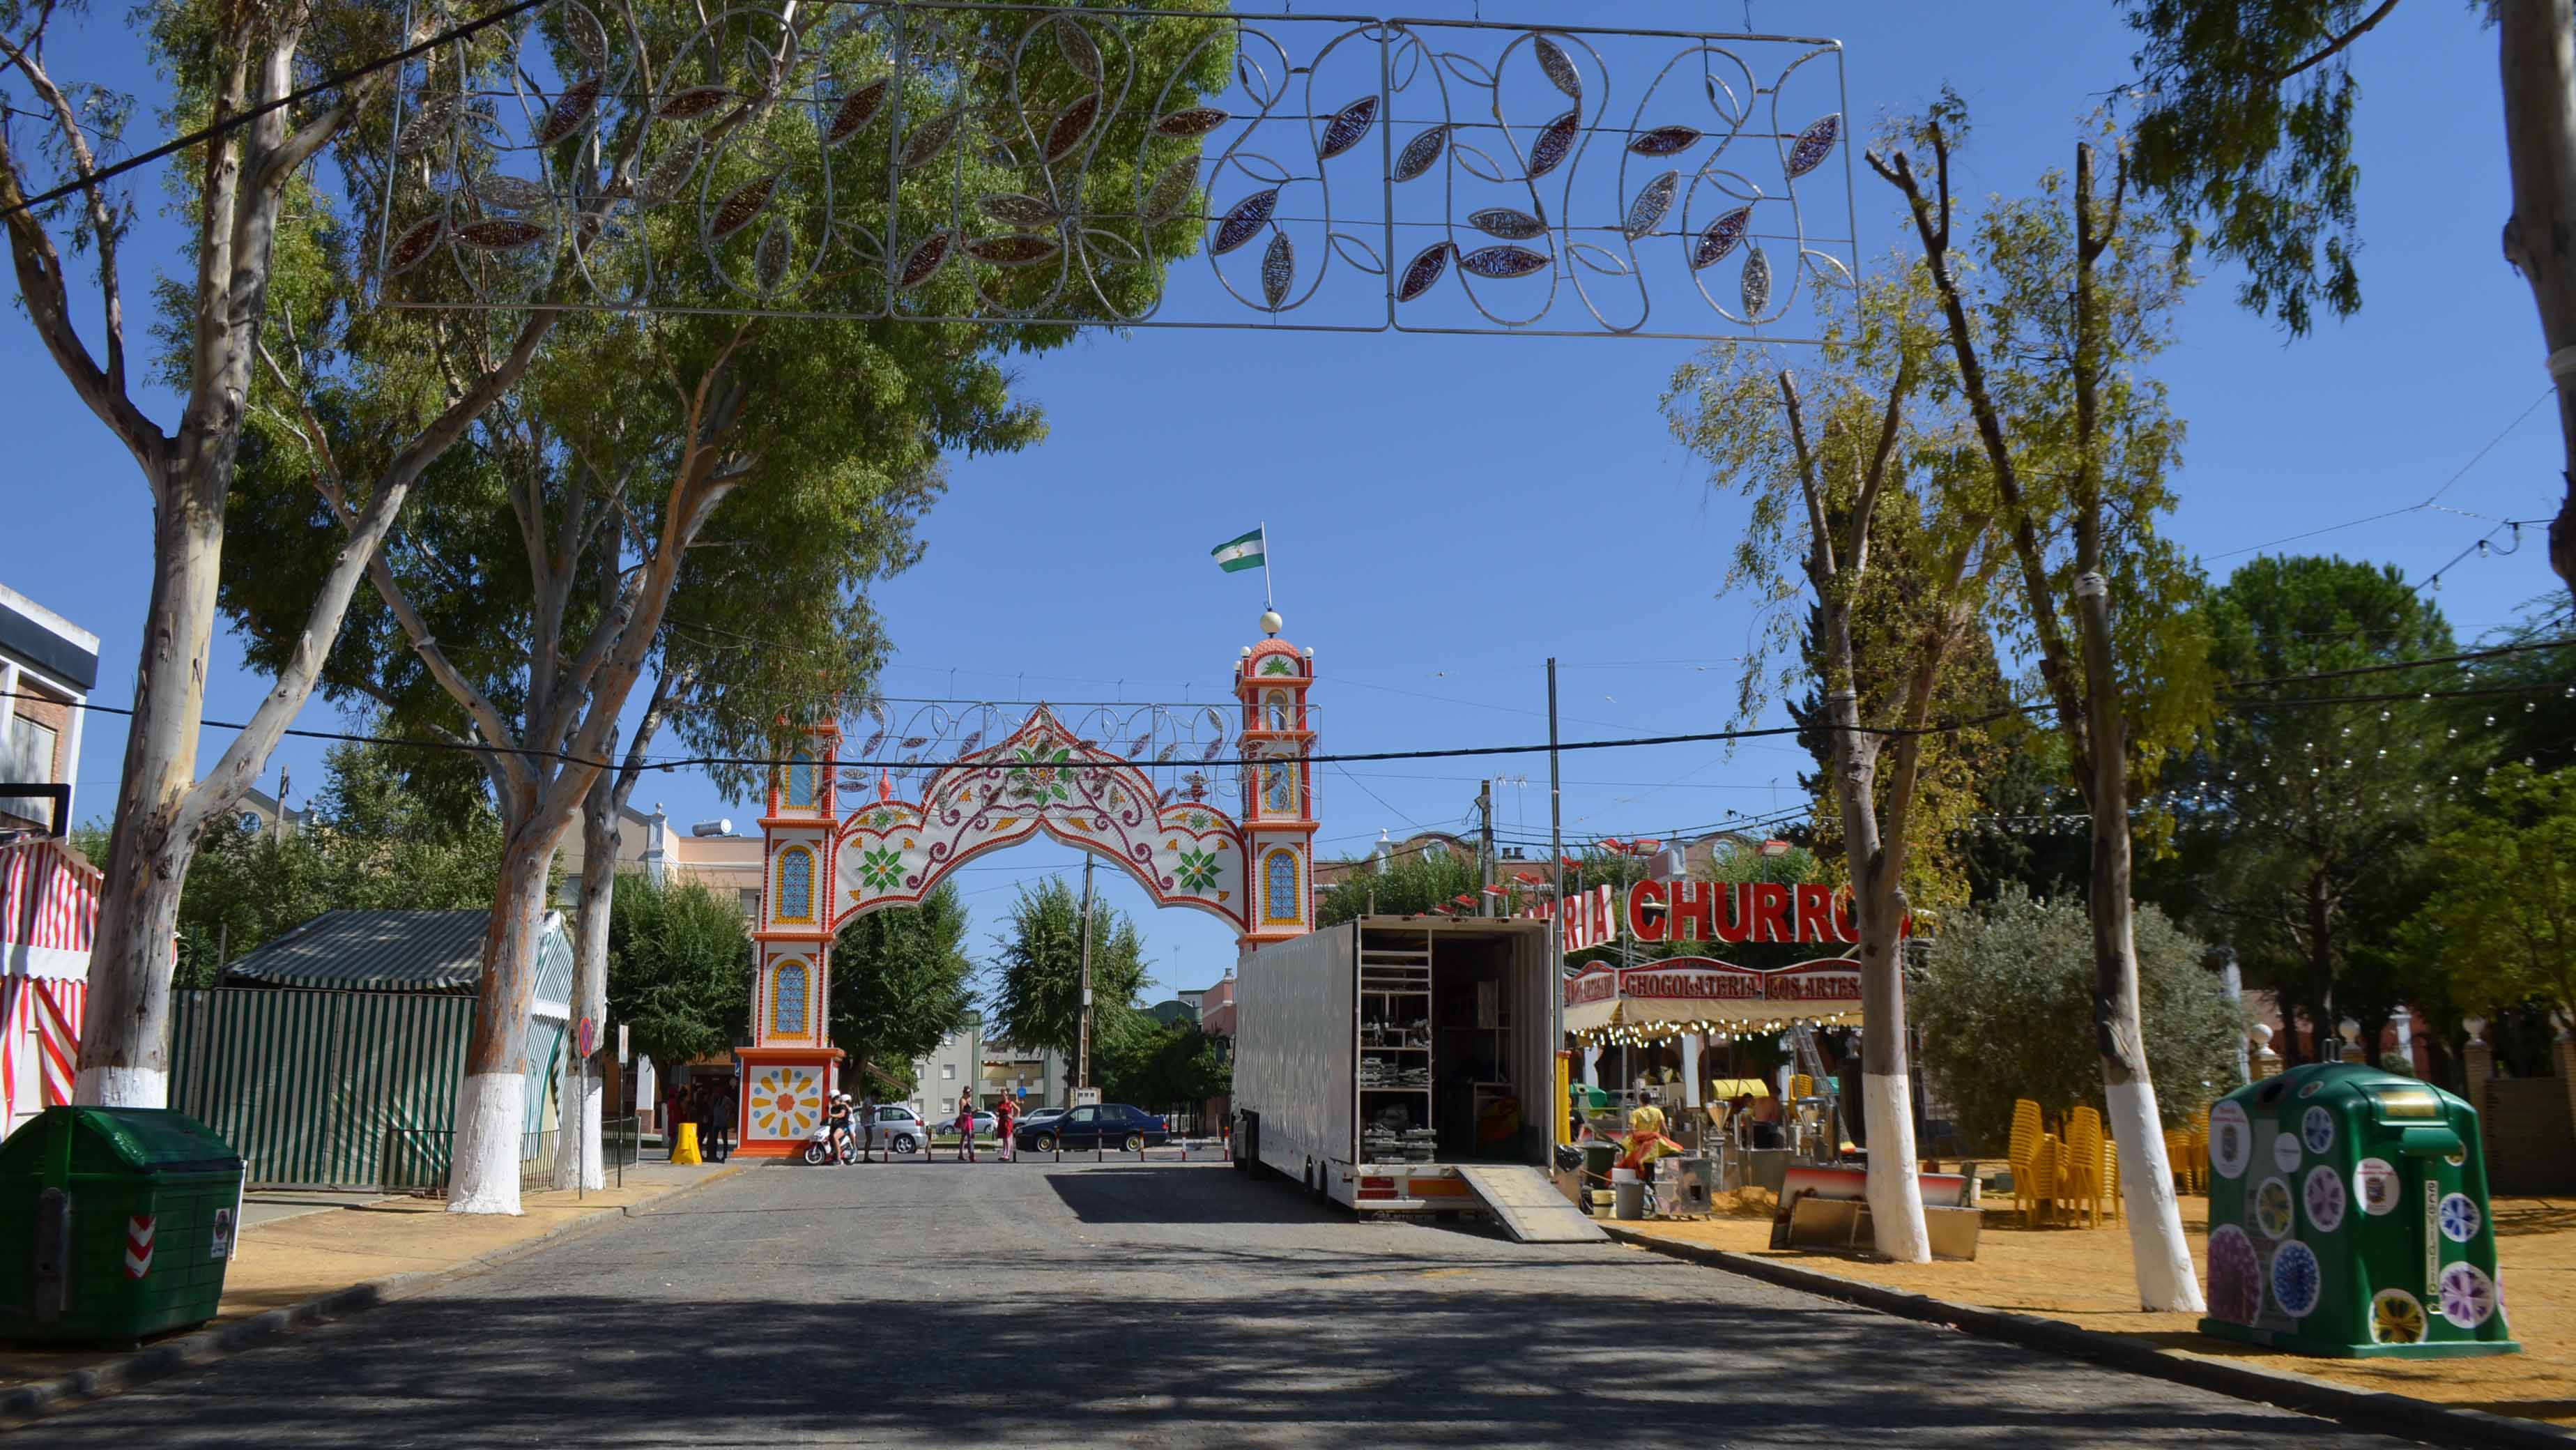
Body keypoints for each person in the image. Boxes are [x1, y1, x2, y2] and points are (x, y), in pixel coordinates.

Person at [707, 1078, 737, 1162]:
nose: (717, 1093)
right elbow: (711, 1107)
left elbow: (733, 1106)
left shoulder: (726, 1099)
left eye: (719, 1092)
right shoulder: (715, 1099)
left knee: (725, 1140)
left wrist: (728, 1113)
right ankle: (715, 1155)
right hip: (716, 1122)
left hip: (723, 1122)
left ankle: (724, 1155)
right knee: (714, 1140)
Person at [956, 1092, 979, 1163]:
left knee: (968, 1137)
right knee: (968, 1137)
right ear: (965, 1093)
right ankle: (971, 1155)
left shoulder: (968, 1100)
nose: (970, 1095)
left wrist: (976, 1110)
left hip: (969, 1119)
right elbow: (961, 1112)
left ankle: (962, 1154)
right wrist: (962, 1123)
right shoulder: (962, 1100)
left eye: (970, 1093)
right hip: (965, 1120)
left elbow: (970, 1112)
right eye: (968, 1093)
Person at [996, 1095, 1020, 1163]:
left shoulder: (1010, 1103)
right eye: (1002, 1095)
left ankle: (1007, 1155)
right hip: (1001, 1121)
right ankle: (1004, 1154)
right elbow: (998, 1111)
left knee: (1007, 1137)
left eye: (1004, 1095)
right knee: (1004, 1138)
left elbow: (1018, 1109)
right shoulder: (1000, 1103)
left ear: (1007, 1096)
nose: (1003, 1096)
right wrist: (997, 1114)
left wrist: (1013, 1117)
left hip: (1007, 1122)